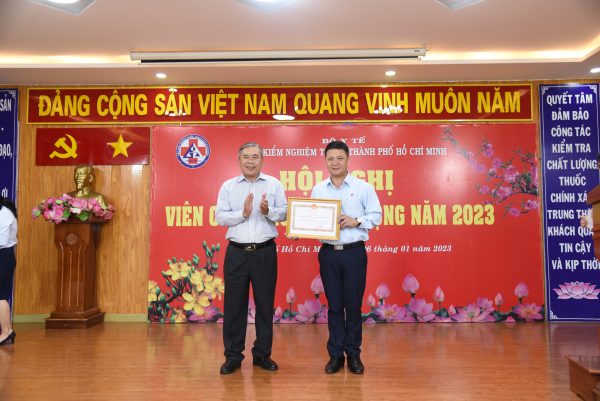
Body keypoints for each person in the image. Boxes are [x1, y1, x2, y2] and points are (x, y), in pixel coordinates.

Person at [215, 142, 288, 374]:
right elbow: (220, 217)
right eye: (246, 156)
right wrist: (243, 213)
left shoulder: (274, 184)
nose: (250, 161)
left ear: (262, 160)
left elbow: (285, 213)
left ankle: (262, 354)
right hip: (236, 253)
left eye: (255, 156)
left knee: (265, 305)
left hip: (265, 252)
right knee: (234, 306)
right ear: (239, 160)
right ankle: (233, 356)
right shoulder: (228, 186)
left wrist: (269, 212)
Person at [311, 140, 382, 375]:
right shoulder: (319, 190)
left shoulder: (363, 188)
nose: (335, 163)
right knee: (333, 307)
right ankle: (335, 355)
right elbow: (312, 219)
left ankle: (353, 354)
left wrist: (356, 220)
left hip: (354, 253)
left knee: (352, 306)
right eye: (330, 158)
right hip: (329, 254)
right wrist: (300, 229)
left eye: (340, 158)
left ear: (348, 160)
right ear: (325, 161)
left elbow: (376, 215)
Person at [0, 197, 18, 346]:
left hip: (3, 257)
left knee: (0, 296)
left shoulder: (4, 212)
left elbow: (2, 240)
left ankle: (7, 331)